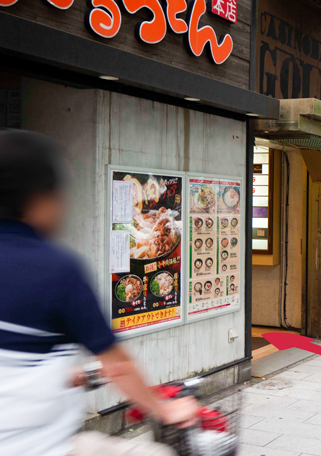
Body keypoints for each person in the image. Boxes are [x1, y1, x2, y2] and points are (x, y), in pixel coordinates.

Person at [0, 131, 197, 456]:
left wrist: (64, 375)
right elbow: (118, 365)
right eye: (59, 194)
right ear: (37, 200)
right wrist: (165, 410)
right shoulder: (56, 268)